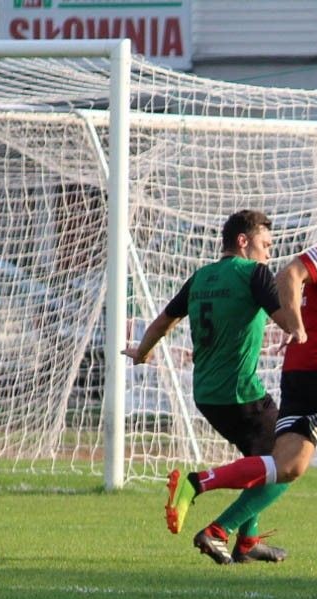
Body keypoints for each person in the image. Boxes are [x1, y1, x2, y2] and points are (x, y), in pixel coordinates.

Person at [165, 192, 317, 569]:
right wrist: (294, 324)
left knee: (287, 466)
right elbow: (290, 274)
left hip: (301, 373)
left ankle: (198, 487)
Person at [125, 209, 296, 565]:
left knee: (260, 461)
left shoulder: (201, 277)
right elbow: (286, 319)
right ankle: (213, 517)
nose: (269, 254)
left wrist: (142, 353)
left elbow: (162, 322)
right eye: (266, 245)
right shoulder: (253, 273)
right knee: (288, 463)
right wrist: (300, 326)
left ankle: (248, 541)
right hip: (241, 392)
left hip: (206, 394)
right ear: (243, 241)